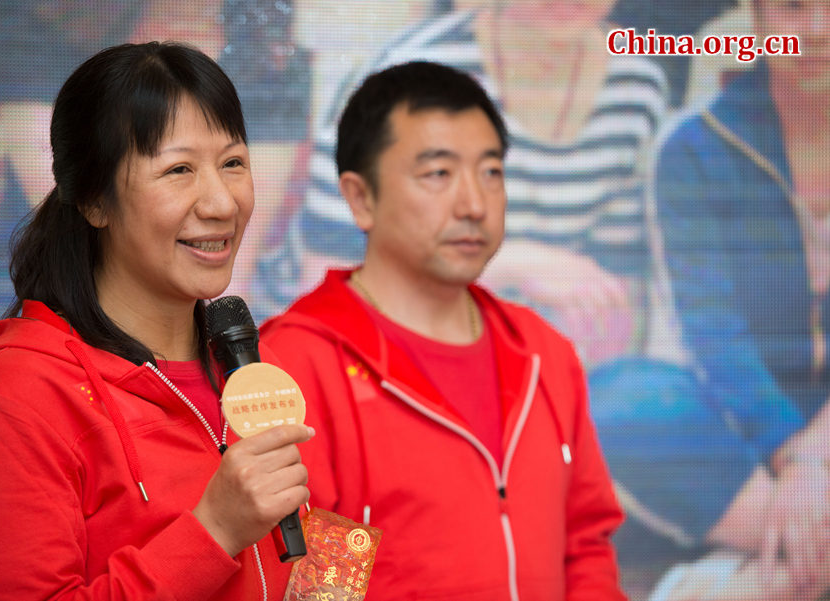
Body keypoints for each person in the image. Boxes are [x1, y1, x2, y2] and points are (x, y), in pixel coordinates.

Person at [0, 42, 313, 599]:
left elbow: (302, 568)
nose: (221, 203)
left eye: (233, 162)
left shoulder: (253, 369)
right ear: (93, 199)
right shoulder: (11, 397)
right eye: (178, 169)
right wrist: (213, 532)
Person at [261, 60, 627, 601]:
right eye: (438, 174)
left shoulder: (542, 353)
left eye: (491, 172)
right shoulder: (303, 363)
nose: (474, 205)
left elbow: (585, 545)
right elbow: (320, 589)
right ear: (361, 198)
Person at [254, 0, 669, 370]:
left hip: (514, 353)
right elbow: (330, 283)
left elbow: (619, 284)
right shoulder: (410, 72)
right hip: (353, 355)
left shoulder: (638, 87)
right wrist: (507, 264)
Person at [653, 0, 830, 597]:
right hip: (749, 431)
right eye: (795, 7)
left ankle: (766, 582)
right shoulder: (693, 151)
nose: (819, 29)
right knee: (620, 398)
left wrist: (817, 456)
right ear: (757, 15)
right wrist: (791, 454)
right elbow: (712, 335)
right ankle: (806, 559)